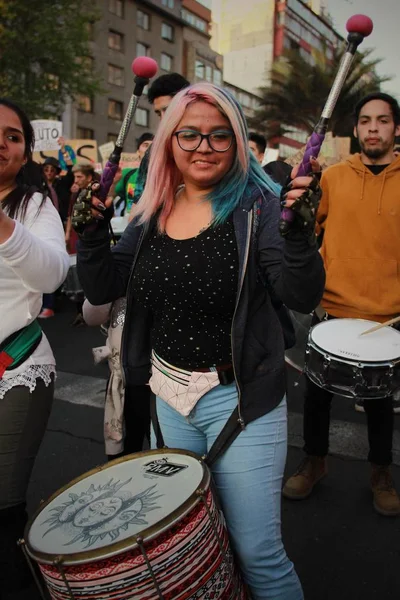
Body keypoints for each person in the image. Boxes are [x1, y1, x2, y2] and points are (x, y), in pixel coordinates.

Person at [75, 82, 325, 599]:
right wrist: (92, 235)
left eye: (219, 136)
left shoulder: (259, 206)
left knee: (258, 553)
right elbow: (104, 287)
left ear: (237, 143)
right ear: (169, 141)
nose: (203, 147)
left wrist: (299, 236)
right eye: (189, 135)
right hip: (168, 399)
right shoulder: (152, 210)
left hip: (241, 400)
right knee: (192, 536)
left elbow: (299, 294)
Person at [283, 92, 400, 517]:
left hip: (387, 318)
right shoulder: (332, 177)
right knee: (316, 398)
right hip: (331, 311)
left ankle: (381, 473)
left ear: (396, 129)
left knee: (379, 404)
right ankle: (314, 462)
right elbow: (300, 229)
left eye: (383, 120)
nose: (373, 127)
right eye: (366, 120)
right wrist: (297, 193)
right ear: (355, 129)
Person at [0, 98, 69, 595]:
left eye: (12, 136)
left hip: (14, 368)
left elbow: (51, 273)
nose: (1, 143)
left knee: (2, 508)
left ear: (24, 154)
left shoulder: (34, 205)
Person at [132, 73, 190, 205]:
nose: (164, 118)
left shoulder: (212, 144)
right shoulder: (154, 152)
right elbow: (138, 204)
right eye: (159, 113)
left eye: (168, 109)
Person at [112, 132, 154, 217]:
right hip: (131, 220)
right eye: (146, 145)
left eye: (153, 146)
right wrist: (113, 182)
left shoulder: (167, 176)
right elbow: (110, 195)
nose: (150, 149)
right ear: (138, 152)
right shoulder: (127, 173)